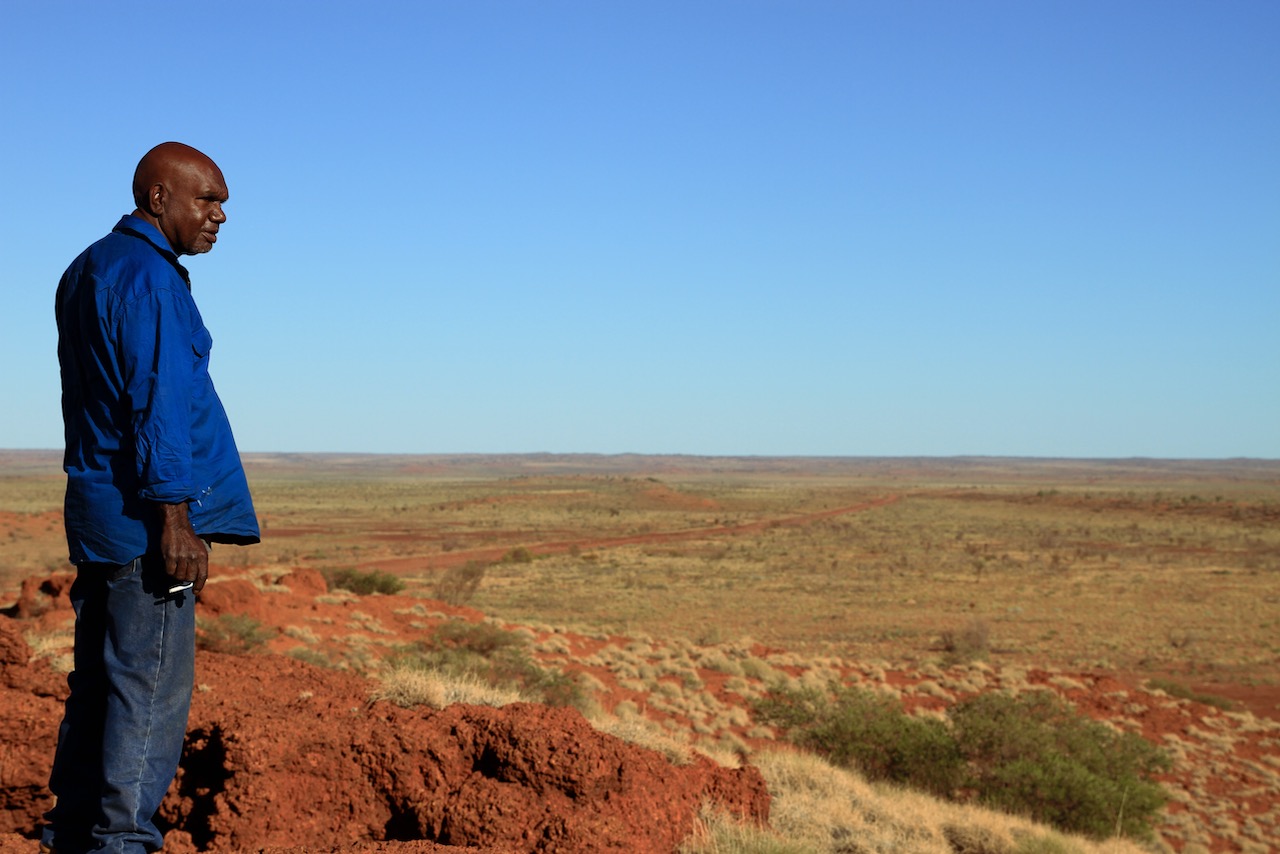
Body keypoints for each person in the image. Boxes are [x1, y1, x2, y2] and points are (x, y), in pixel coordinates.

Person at [43, 142, 260, 854]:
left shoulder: (88, 268)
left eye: (222, 202)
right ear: (159, 198)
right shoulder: (151, 279)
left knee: (100, 688)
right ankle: (122, 843)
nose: (220, 216)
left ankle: (72, 836)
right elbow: (156, 406)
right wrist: (174, 519)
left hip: (100, 517)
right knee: (148, 696)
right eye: (208, 200)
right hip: (143, 531)